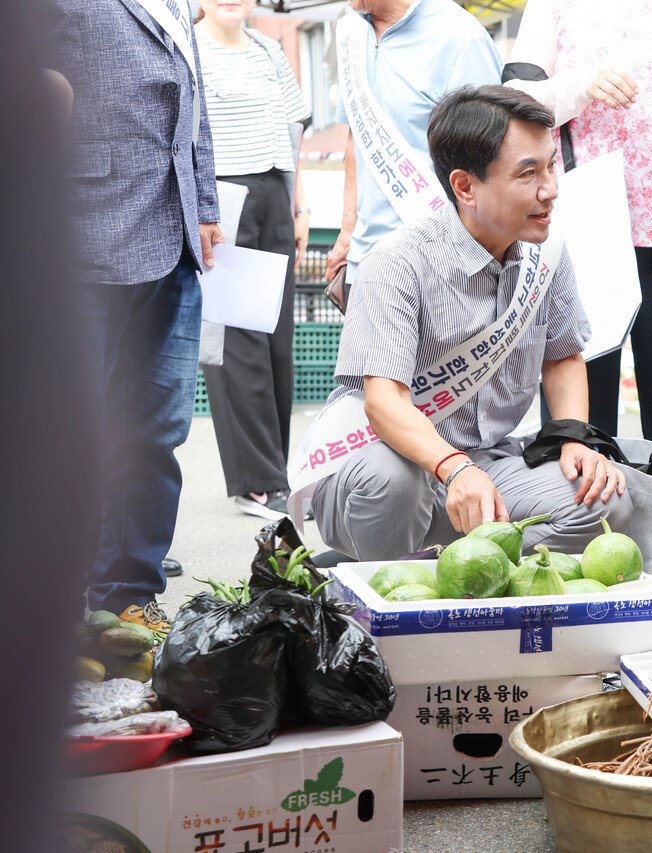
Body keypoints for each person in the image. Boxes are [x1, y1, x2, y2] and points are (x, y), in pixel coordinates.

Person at [309, 85, 632, 561]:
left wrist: (571, 436)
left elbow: (562, 355)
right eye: (527, 173)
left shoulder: (548, 253)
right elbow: (383, 404)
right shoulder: (397, 263)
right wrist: (454, 468)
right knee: (395, 483)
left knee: (605, 500)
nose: (550, 189)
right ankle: (381, 578)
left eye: (550, 166)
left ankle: (456, 566)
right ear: (465, 187)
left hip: (487, 463)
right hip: (382, 463)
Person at [503, 0, 652, 545]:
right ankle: (580, 544)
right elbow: (513, 102)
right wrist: (580, 85)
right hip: (583, 236)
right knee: (581, 417)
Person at [49, 0, 224, 627]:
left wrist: (204, 204)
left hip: (171, 237)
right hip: (78, 237)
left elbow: (195, 107)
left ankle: (128, 590)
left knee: (155, 432)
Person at [195, 0, 312, 519]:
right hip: (221, 199)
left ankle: (275, 472)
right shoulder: (189, 48)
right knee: (237, 340)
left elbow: (293, 133)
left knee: (275, 338)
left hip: (274, 193)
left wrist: (299, 203)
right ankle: (258, 481)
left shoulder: (270, 49)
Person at [323, 0, 502, 291]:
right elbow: (355, 137)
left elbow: (489, 163)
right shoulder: (351, 31)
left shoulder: (462, 38)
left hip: (436, 267)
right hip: (364, 261)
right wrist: (347, 232)